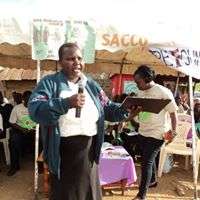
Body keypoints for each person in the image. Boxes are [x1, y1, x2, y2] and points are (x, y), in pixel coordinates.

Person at [28, 43, 133, 200]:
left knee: (88, 193)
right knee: (67, 194)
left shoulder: (91, 85)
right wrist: (66, 103)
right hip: (63, 153)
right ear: (60, 62)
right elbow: (35, 109)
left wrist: (127, 108)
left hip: (89, 152)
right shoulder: (50, 83)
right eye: (70, 58)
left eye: (79, 58)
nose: (76, 62)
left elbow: (108, 108)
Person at [131, 65, 178, 200]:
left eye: (138, 82)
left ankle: (141, 195)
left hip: (158, 133)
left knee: (146, 163)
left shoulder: (163, 92)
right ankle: (152, 181)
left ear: (147, 79)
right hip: (143, 131)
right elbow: (140, 111)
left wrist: (173, 132)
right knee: (147, 160)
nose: (137, 85)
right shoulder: (140, 92)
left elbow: (174, 114)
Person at [7, 90, 36, 176]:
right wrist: (22, 129)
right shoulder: (17, 108)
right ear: (23, 99)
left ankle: (41, 165)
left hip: (34, 131)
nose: (29, 101)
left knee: (43, 139)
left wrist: (36, 128)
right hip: (21, 131)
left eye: (31, 99)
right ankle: (14, 167)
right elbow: (12, 122)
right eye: (27, 99)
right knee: (13, 141)